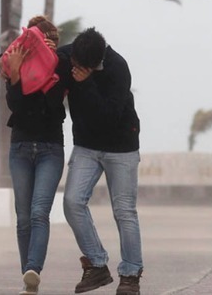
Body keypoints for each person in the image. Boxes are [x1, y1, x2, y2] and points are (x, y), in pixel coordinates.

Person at [58, 28, 143, 295]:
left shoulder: (118, 67)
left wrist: (86, 83)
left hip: (121, 147)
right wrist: (2, 60)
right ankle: (96, 264)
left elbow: (108, 117)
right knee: (72, 202)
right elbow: (39, 59)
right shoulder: (70, 54)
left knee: (124, 211)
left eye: (82, 68)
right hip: (86, 145)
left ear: (96, 63)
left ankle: (130, 275)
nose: (75, 68)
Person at [0, 15, 71, 295]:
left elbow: (51, 106)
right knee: (23, 216)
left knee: (40, 212)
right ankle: (28, 280)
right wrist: (16, 74)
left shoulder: (61, 70)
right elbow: (17, 106)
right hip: (20, 148)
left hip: (50, 149)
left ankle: (33, 270)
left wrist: (50, 64)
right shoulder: (15, 64)